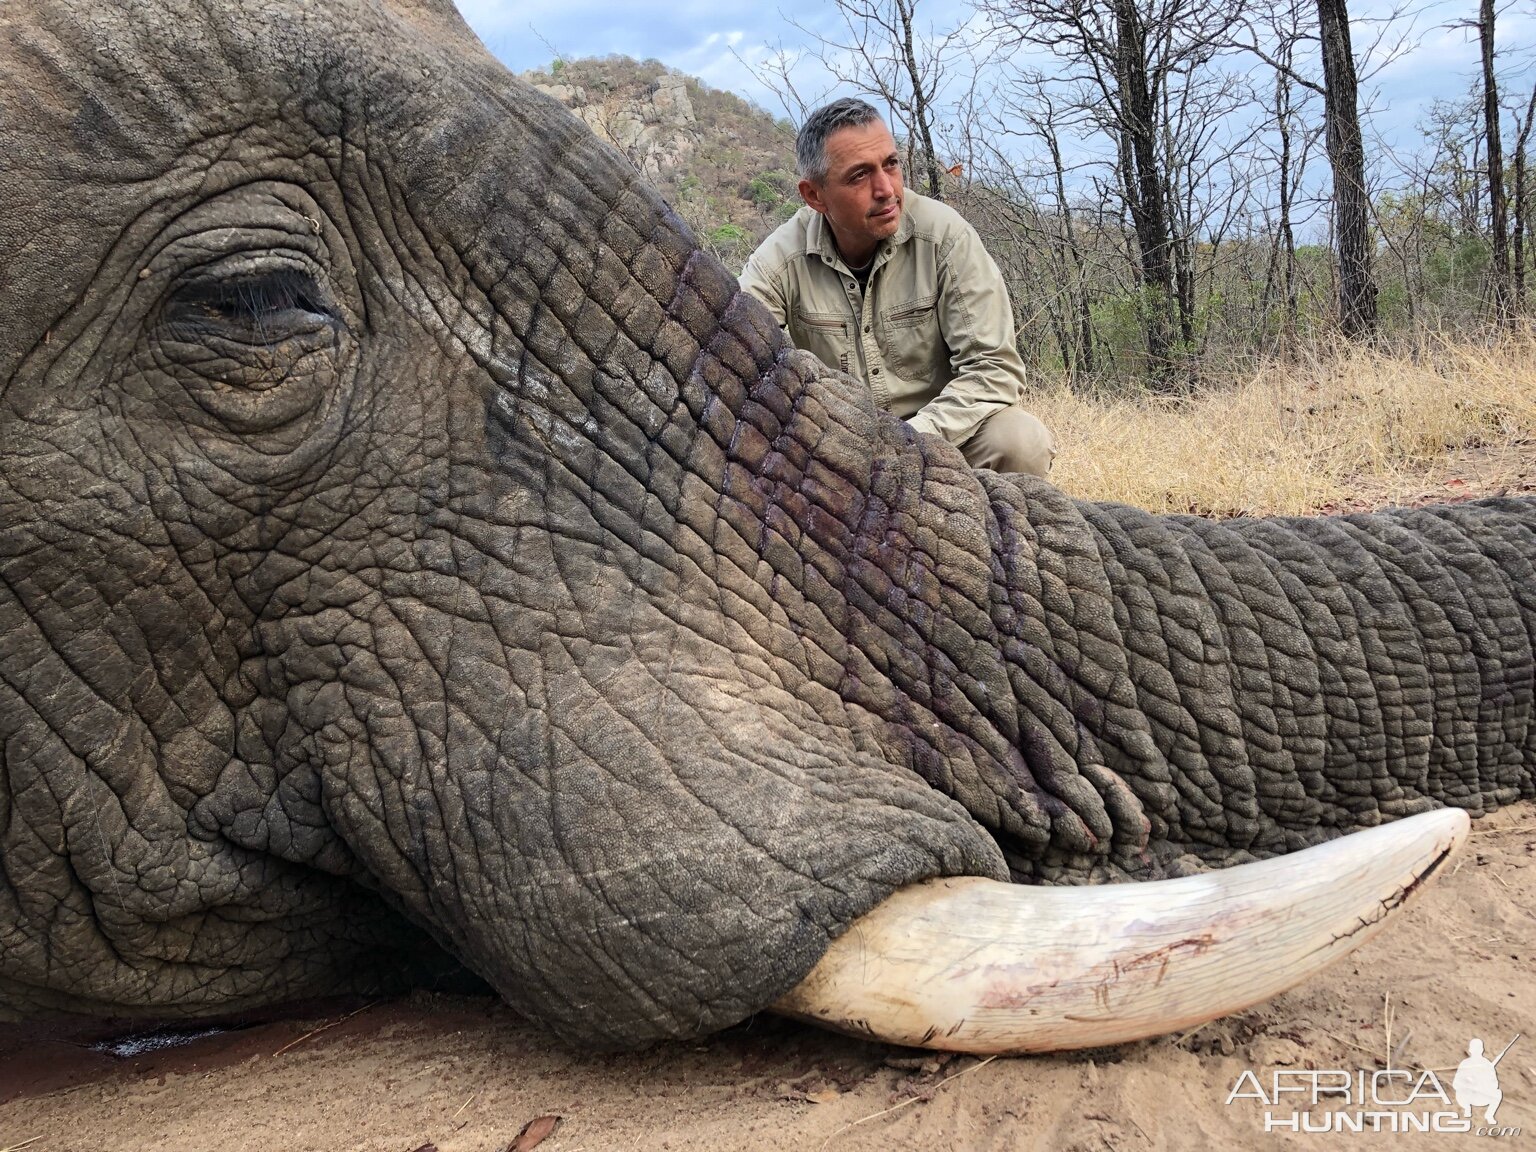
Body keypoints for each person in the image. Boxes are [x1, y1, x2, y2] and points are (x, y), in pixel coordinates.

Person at [739, 97, 1056, 477]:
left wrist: (910, 440)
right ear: (814, 196)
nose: (886, 189)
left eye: (890, 164)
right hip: (834, 453)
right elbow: (744, 372)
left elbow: (993, 368)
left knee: (1020, 441)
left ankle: (1011, 539)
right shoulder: (776, 263)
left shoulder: (945, 236)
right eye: (859, 175)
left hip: (945, 434)